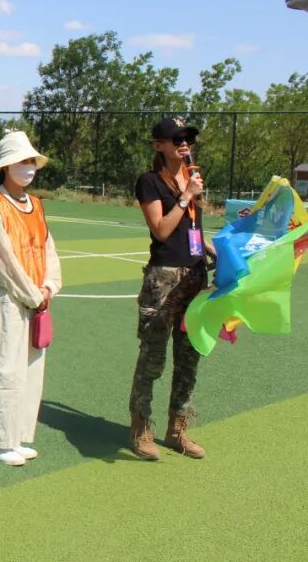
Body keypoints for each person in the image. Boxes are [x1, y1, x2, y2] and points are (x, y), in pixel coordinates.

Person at [0, 130, 62, 466]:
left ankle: (18, 435)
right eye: (21, 161)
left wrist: (49, 286)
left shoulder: (36, 205)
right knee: (5, 369)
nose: (29, 167)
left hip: (36, 297)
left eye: (31, 161)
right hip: (6, 297)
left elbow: (48, 248)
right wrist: (32, 294)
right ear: (5, 167)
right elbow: (3, 260)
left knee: (30, 370)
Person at [129, 117, 211, 460]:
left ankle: (177, 430)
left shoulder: (192, 178)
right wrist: (186, 196)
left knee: (189, 358)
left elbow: (193, 233)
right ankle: (140, 429)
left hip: (194, 277)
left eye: (188, 138)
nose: (184, 143)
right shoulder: (149, 181)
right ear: (158, 145)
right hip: (163, 280)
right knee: (153, 358)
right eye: (176, 139)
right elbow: (161, 230)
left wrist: (219, 251)